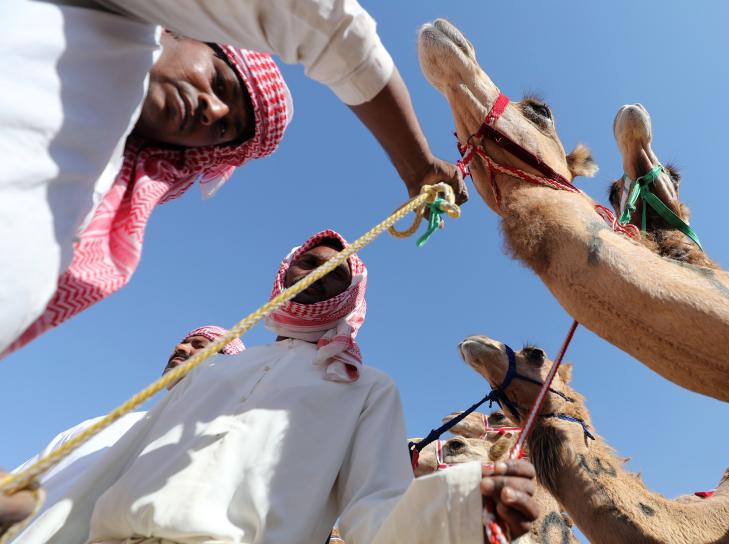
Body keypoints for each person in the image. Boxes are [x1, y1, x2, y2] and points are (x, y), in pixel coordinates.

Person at [0, 230, 537, 544]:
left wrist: (464, 515)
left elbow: (375, 514)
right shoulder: (214, 370)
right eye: (308, 263)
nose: (319, 275)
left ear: (353, 296)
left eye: (337, 274)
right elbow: (105, 475)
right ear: (285, 272)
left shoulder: (366, 390)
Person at [0, 0, 467, 355]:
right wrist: (418, 165)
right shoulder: (107, 17)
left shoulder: (95, 196)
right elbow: (326, 24)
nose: (214, 109)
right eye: (221, 82)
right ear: (185, 29)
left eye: (223, 130)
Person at [0, 326, 246, 544]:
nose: (182, 348)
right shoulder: (100, 425)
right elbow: (21, 483)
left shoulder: (202, 448)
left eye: (199, 345)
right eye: (183, 341)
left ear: (223, 366)